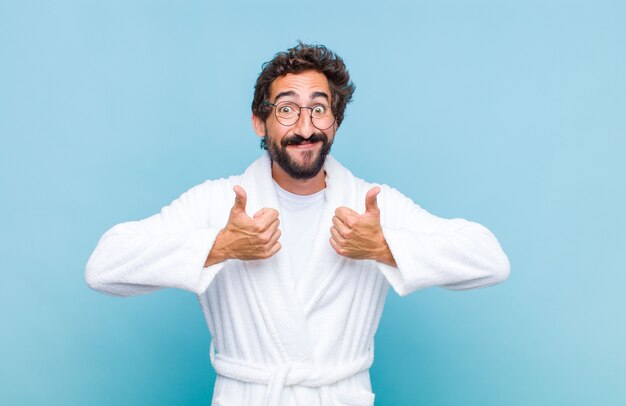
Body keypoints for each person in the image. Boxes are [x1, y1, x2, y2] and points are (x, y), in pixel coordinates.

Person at [85, 42, 510, 406]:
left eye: (319, 110)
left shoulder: (371, 206)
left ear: (336, 122)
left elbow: (490, 260)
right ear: (260, 121)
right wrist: (219, 246)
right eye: (286, 109)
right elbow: (104, 267)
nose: (305, 128)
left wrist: (384, 246)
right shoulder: (216, 202)